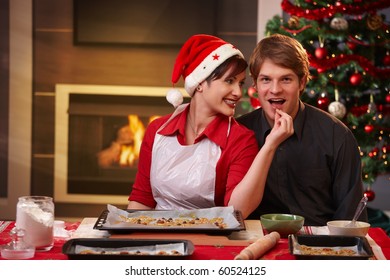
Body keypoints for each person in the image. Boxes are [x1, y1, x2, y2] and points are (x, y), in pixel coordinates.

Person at [127, 34, 293, 218]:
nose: (238, 93)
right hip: (157, 234)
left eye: (241, 83)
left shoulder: (240, 138)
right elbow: (142, 199)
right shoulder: (157, 130)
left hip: (210, 237)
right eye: (229, 81)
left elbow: (237, 211)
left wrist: (269, 145)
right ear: (199, 84)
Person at [237, 34, 368, 225]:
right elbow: (231, 212)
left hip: (320, 245)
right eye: (266, 79)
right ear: (255, 84)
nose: (275, 89)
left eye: (286, 79)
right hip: (256, 244)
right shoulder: (239, 132)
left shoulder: (337, 136)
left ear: (303, 82)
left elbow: (350, 220)